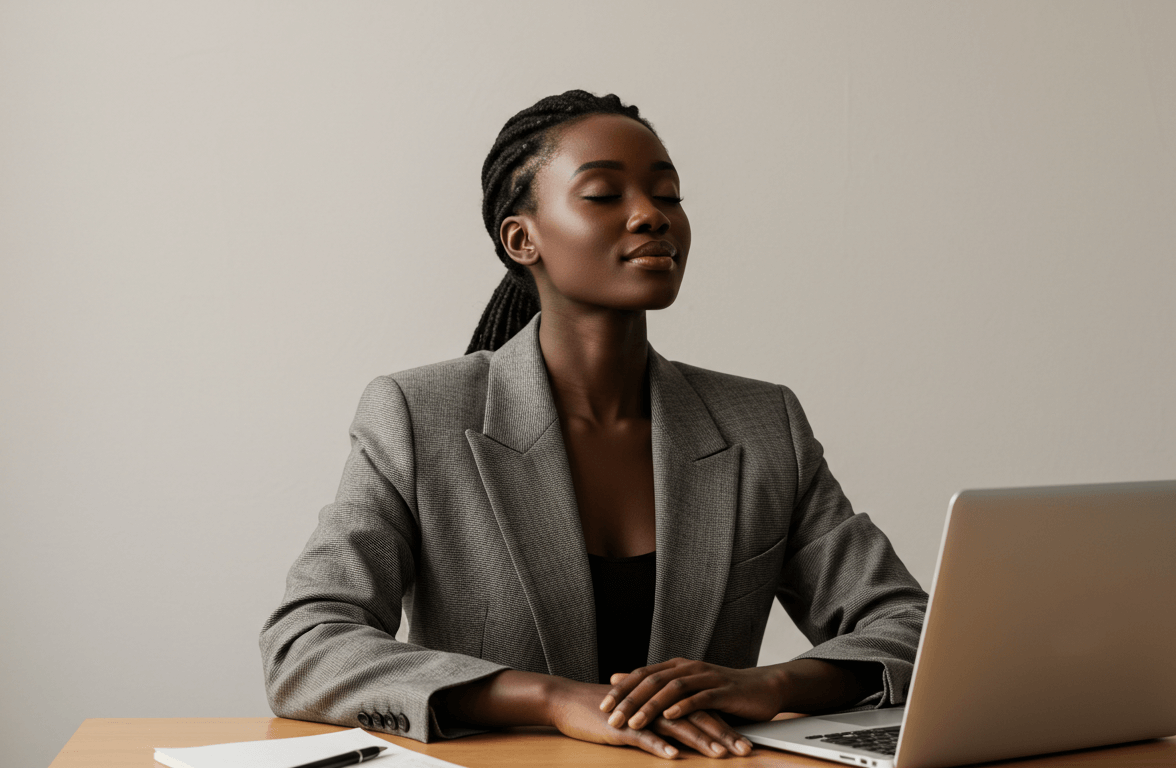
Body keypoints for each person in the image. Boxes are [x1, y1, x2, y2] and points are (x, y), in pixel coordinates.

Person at [259, 89, 929, 760]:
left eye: (667, 195)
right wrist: (552, 700)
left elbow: (913, 625)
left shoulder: (761, 424)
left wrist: (774, 683)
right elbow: (306, 645)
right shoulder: (419, 415)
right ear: (523, 239)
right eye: (605, 195)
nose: (651, 216)